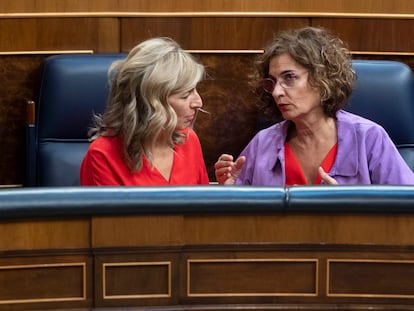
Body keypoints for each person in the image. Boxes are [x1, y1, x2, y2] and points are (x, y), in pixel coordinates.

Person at [215, 26, 414, 186]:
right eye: (272, 82)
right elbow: (243, 225)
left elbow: (405, 211)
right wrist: (232, 192)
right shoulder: (262, 144)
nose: (277, 92)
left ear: (322, 79)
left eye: (289, 78)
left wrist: (350, 209)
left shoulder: (369, 138)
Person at [80, 37, 210, 186]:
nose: (199, 103)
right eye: (185, 95)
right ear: (150, 102)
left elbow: (202, 207)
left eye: (195, 89)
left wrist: (226, 192)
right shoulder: (102, 155)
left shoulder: (188, 140)